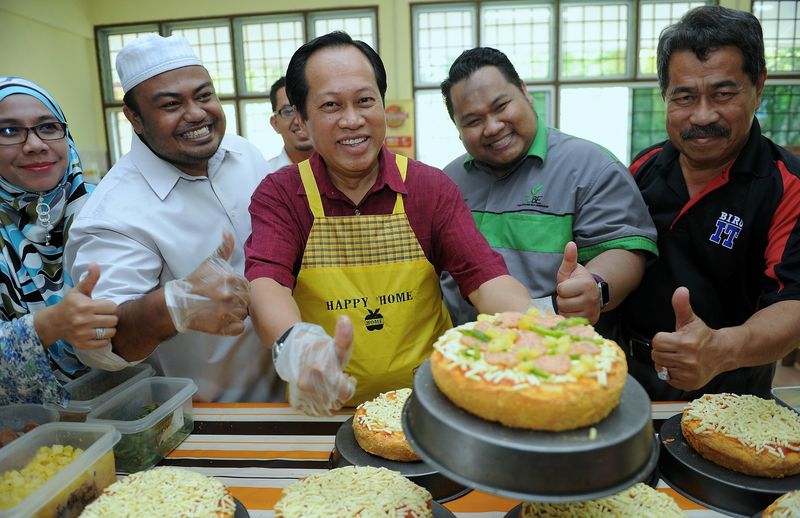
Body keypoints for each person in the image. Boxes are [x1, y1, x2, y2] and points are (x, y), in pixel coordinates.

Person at [245, 32, 531, 415]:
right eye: (331, 105)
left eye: (365, 101)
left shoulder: (429, 188)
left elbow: (484, 277)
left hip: (427, 406)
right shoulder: (282, 193)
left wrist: (535, 328)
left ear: (382, 104)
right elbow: (267, 283)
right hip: (325, 405)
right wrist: (298, 346)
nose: (352, 120)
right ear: (301, 118)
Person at [64, 34, 283, 402]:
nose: (196, 113)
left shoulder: (243, 153)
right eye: (171, 104)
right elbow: (102, 347)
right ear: (134, 117)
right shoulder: (114, 215)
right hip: (206, 420)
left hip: (291, 394)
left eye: (204, 96)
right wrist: (172, 306)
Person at [616, 5, 800, 400]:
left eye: (723, 93)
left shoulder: (787, 185)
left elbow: (793, 302)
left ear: (759, 86)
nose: (702, 115)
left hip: (728, 387)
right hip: (626, 374)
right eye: (684, 96)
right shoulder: (643, 167)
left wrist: (721, 349)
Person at [439, 47, 658, 326]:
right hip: (466, 354)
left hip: (562, 351)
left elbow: (625, 249)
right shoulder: (449, 181)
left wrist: (596, 286)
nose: (492, 127)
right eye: (473, 121)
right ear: (457, 129)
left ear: (524, 91)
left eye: (501, 106)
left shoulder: (591, 167)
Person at [0, 77, 118, 405]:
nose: (35, 144)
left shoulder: (110, 209)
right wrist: (51, 323)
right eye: (8, 131)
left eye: (48, 127)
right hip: (18, 435)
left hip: (125, 406)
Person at [265, 76, 313, 173]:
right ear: (275, 124)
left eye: (304, 108)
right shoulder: (265, 175)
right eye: (288, 112)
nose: (298, 121)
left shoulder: (344, 171)